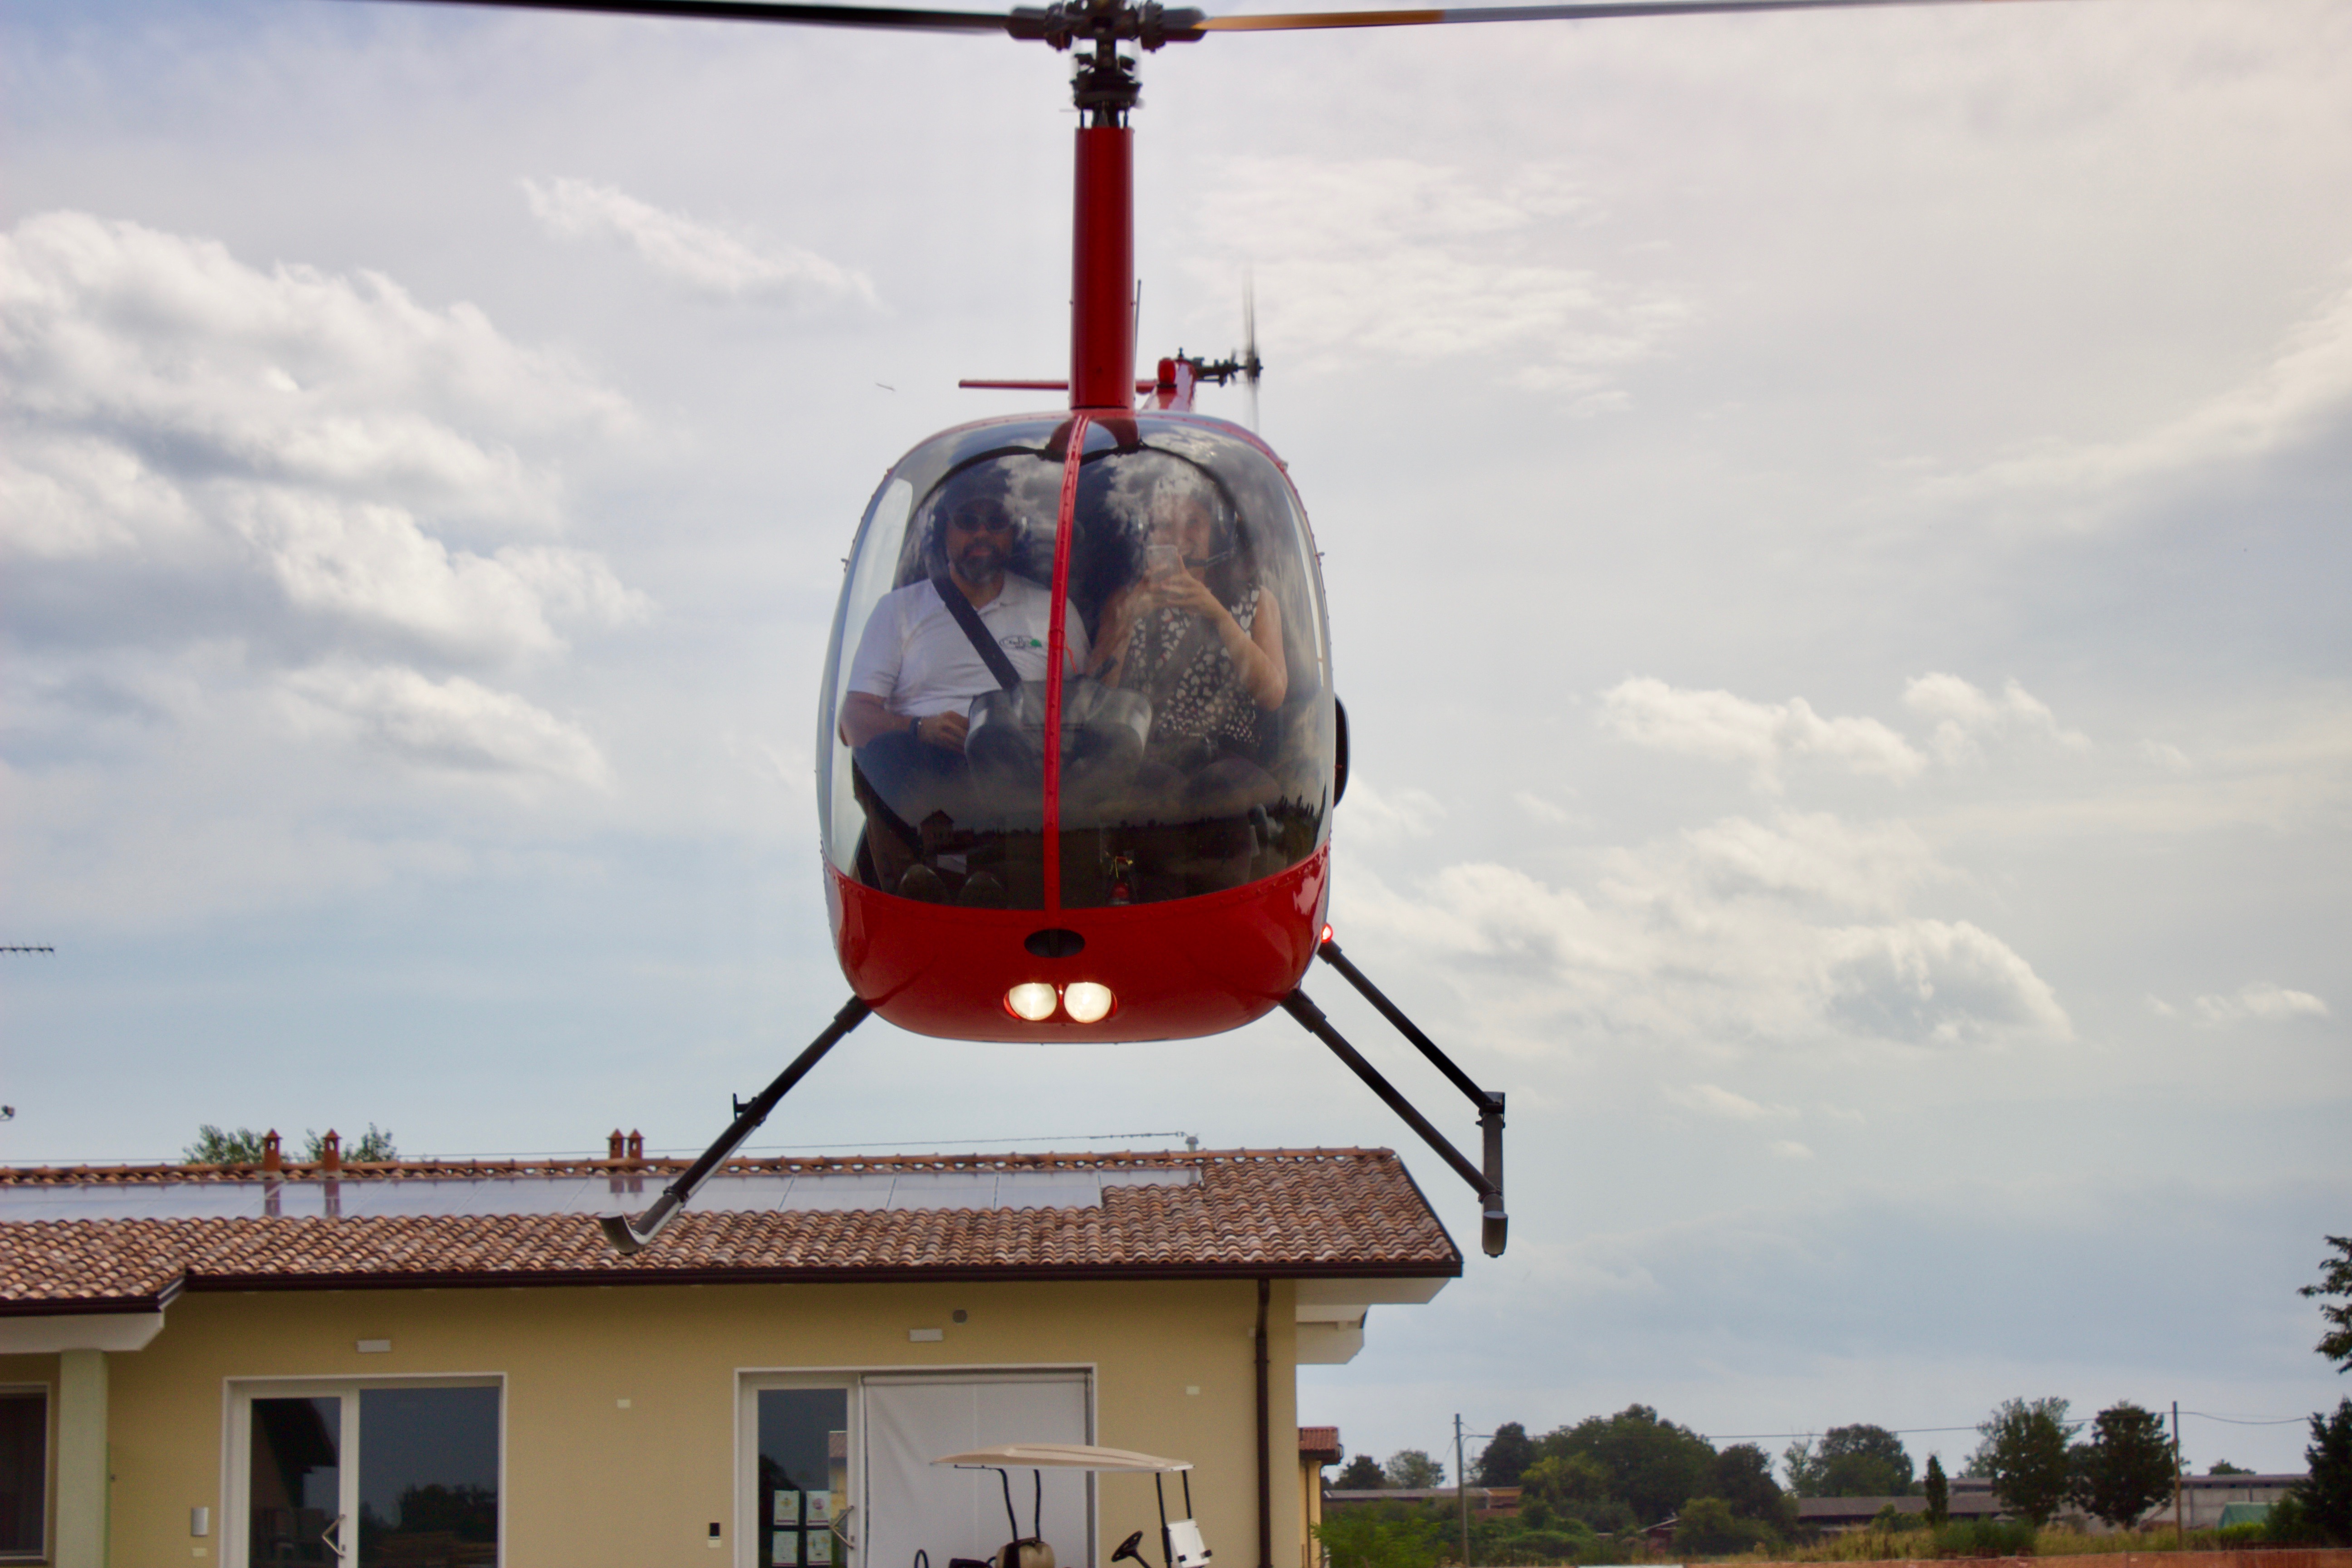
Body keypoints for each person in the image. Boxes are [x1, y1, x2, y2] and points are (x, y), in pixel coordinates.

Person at [839, 471, 1090, 892]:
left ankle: (1000, 882)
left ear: (1014, 535)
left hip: (1019, 777)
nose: (982, 534)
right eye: (968, 521)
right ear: (945, 531)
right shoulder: (898, 611)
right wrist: (919, 728)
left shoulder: (1052, 610)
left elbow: (1087, 706)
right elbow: (854, 721)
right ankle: (915, 885)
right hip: (928, 773)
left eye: (996, 523)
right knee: (883, 753)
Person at [1092, 473, 1287, 769]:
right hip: (1140, 761)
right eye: (1165, 525)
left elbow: (1272, 695)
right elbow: (1095, 698)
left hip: (1224, 769)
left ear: (1218, 533)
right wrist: (1130, 620)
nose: (1179, 536)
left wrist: (1219, 615)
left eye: (1193, 522)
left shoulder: (1257, 602)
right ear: (1150, 534)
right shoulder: (1126, 602)